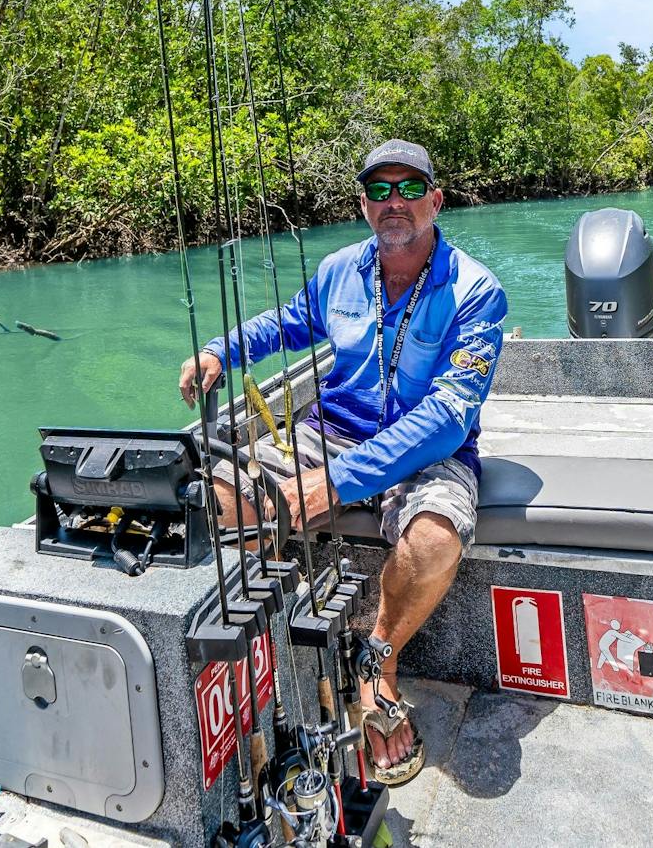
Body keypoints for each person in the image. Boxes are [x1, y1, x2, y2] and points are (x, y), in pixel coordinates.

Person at [178, 138, 507, 786]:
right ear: (363, 204)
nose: (395, 202)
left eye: (410, 188)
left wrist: (335, 483)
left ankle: (376, 665)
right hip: (332, 431)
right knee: (211, 496)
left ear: (435, 201)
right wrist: (222, 351)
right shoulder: (338, 273)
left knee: (436, 539)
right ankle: (271, 653)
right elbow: (285, 324)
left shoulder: (477, 292)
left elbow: (446, 417)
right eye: (379, 190)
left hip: (428, 448)